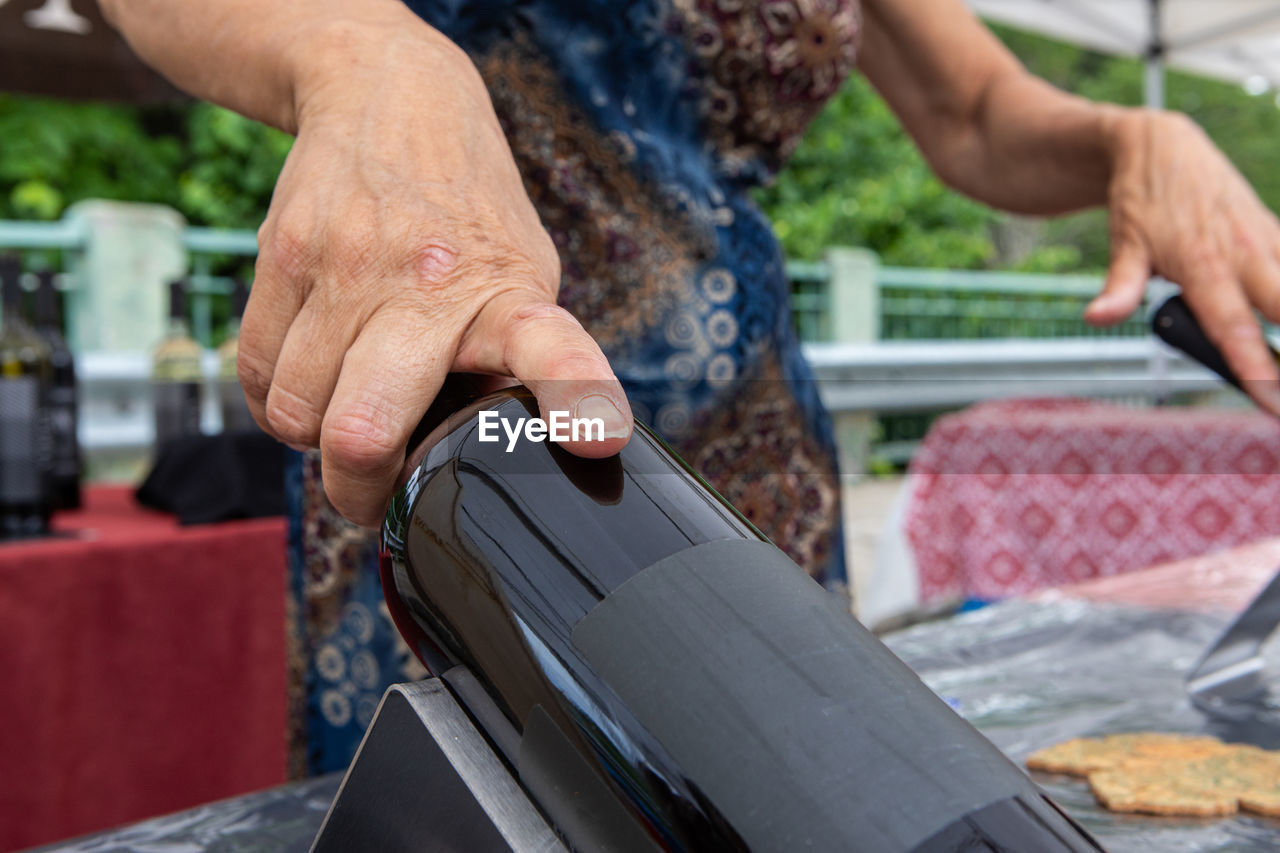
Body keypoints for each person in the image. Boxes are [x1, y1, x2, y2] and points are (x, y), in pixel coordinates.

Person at [103, 0, 1280, 773]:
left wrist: (1131, 141)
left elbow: (971, 113)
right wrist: (361, 51)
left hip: (749, 450)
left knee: (787, 790)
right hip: (456, 417)